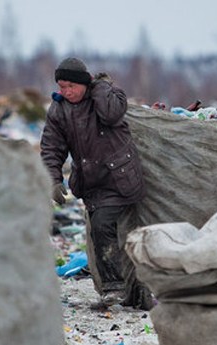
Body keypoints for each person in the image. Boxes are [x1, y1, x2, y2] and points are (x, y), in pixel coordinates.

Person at [41, 57, 146, 306]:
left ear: (84, 83)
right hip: (92, 182)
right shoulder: (59, 109)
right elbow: (51, 147)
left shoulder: (107, 96)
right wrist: (53, 179)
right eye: (61, 86)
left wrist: (99, 87)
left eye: (71, 86)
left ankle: (115, 287)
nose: (66, 92)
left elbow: (112, 115)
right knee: (102, 231)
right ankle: (119, 289)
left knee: (105, 226)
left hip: (120, 176)